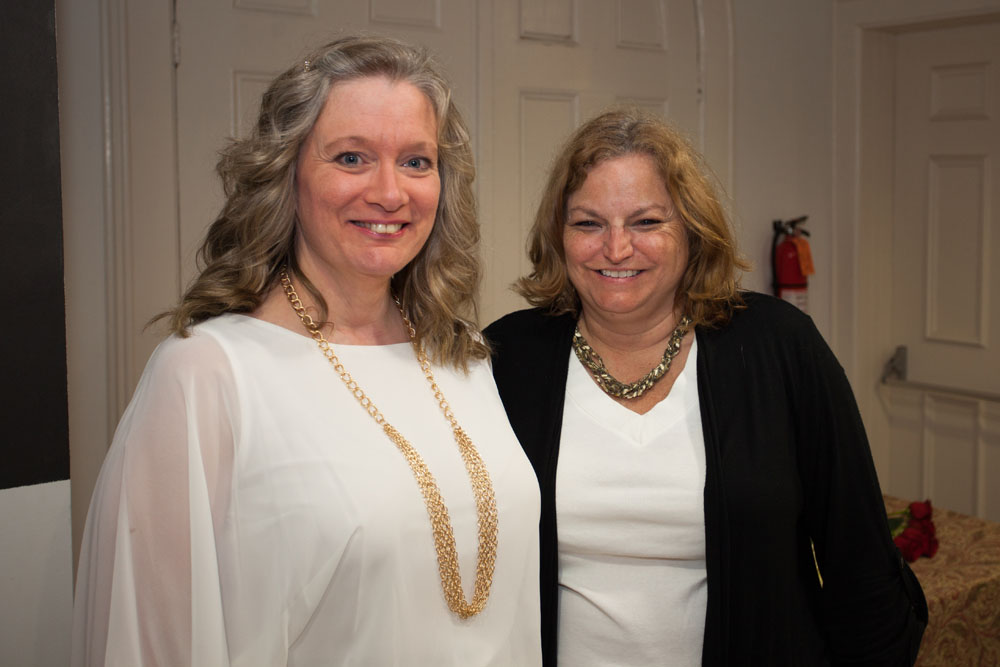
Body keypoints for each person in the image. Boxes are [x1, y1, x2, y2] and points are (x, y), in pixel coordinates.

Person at [72, 35, 541, 666]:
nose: (389, 193)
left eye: (416, 161)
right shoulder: (208, 374)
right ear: (285, 174)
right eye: (351, 157)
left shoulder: (464, 359)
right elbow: (148, 640)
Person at [484, 108, 927, 666]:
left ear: (692, 231)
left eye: (646, 223)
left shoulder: (778, 347)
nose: (616, 249)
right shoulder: (507, 359)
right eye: (588, 223)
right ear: (559, 235)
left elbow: (858, 558)